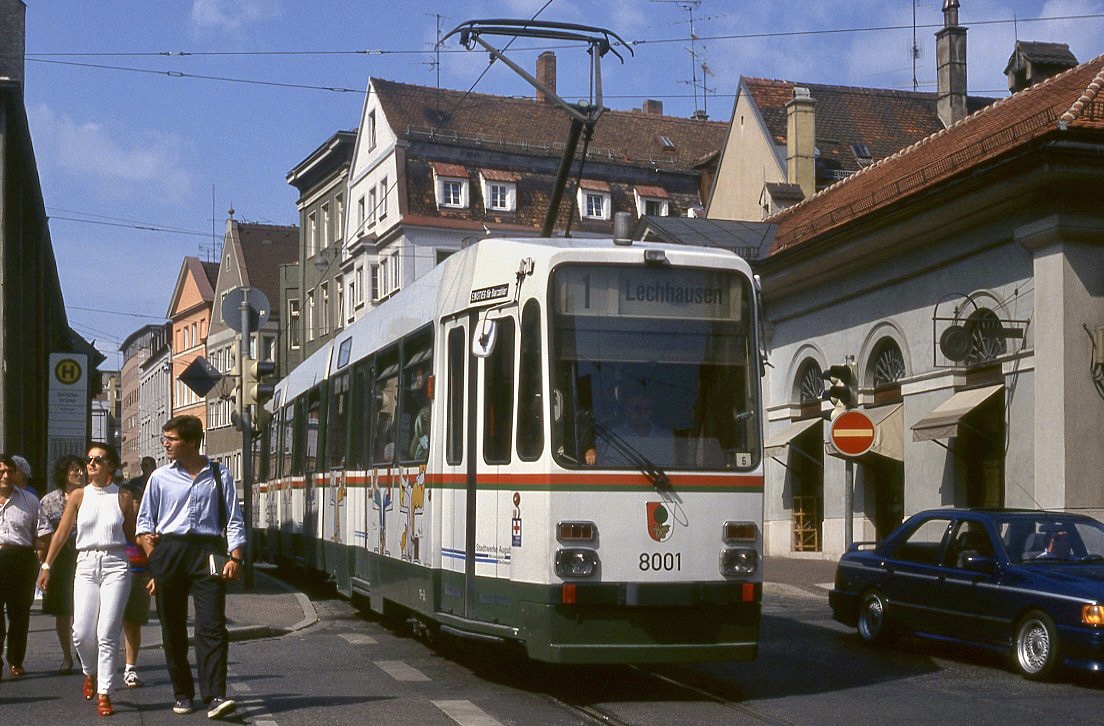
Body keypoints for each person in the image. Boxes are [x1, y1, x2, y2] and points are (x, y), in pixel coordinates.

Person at [137, 415, 245, 720]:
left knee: (212, 624)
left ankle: (215, 696)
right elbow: (144, 524)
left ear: (192, 442)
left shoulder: (219, 474)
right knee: (172, 627)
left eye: (171, 439)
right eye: (165, 438)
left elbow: (234, 520)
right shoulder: (159, 477)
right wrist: (155, 561)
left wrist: (236, 558)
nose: (165, 444)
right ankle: (182, 692)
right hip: (170, 551)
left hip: (208, 551)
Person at [37, 443, 136, 717]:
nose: (90, 464)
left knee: (107, 632)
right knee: (81, 632)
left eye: (98, 460)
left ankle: (105, 692)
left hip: (116, 564)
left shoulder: (123, 497)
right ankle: (89, 671)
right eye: (89, 459)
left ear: (110, 465)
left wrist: (143, 568)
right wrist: (46, 565)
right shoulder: (79, 496)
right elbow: (60, 534)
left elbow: (131, 538)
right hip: (86, 564)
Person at [35, 454, 87, 675]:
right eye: (74, 469)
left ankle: (85, 652)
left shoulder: (91, 496)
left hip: (85, 554)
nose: (80, 473)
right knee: (63, 610)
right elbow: (44, 534)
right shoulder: (49, 501)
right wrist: (44, 563)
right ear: (64, 473)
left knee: (87, 609)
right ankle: (67, 656)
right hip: (61, 558)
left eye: (81, 469)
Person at [0, 453, 41, 681]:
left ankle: (16, 660)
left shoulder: (29, 500)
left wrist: (41, 562)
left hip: (21, 559)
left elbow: (42, 533)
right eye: (1, 472)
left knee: (19, 613)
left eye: (9, 471)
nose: (6, 476)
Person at [120, 456, 157, 688]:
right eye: (132, 501)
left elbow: (155, 555)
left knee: (132, 622)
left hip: (139, 575)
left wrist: (154, 574)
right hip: (112, 575)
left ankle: (130, 668)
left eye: (138, 501)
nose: (135, 505)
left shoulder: (149, 529)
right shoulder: (114, 527)